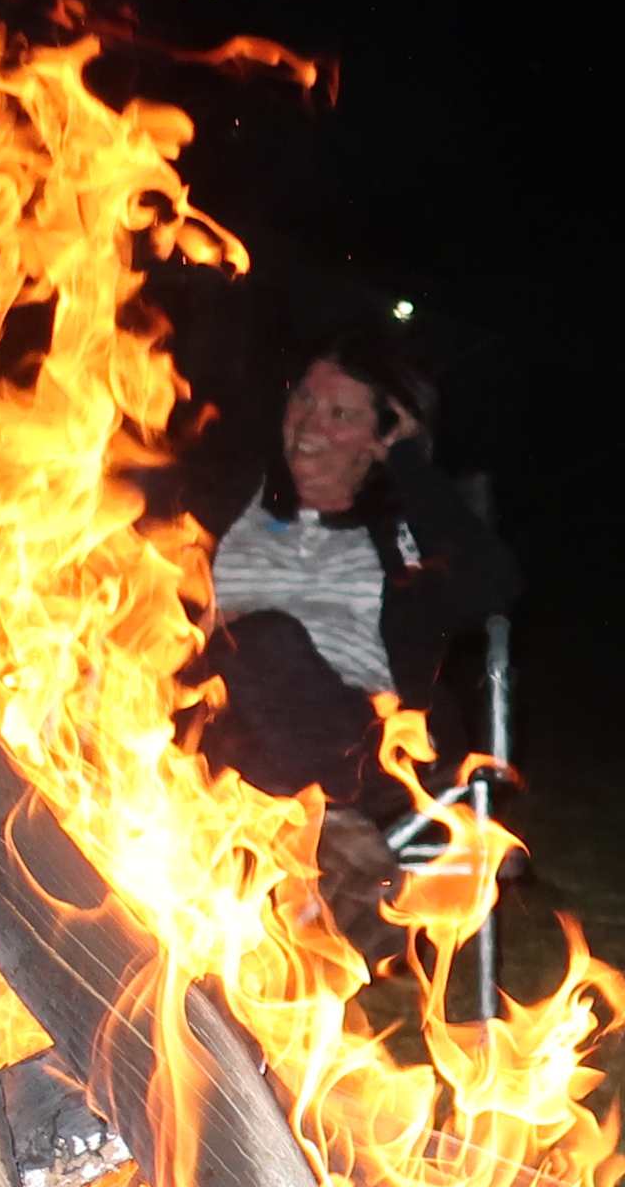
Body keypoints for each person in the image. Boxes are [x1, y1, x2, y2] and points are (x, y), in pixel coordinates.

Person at [186, 329, 519, 869]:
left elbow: (492, 586)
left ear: (378, 437)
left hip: (369, 744)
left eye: (340, 414)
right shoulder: (228, 500)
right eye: (303, 398)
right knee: (252, 644)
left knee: (266, 638)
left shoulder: (401, 534)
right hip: (224, 725)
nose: (309, 423)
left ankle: (332, 818)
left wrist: (408, 463)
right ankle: (336, 829)